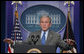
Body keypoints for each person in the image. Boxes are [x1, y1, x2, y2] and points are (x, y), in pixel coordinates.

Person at [3, 15, 74, 53]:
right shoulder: (33, 34)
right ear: (40, 24)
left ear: (50, 24)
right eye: (42, 22)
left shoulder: (56, 36)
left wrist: (70, 45)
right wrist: (13, 42)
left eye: (46, 22)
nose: (44, 24)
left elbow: (64, 47)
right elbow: (25, 44)